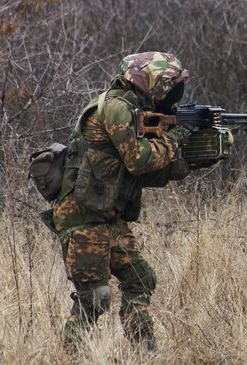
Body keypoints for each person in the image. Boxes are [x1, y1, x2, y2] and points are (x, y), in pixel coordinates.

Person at [52, 51, 197, 352]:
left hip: (106, 217)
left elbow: (147, 176)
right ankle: (70, 356)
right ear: (149, 82)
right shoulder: (117, 107)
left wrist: (191, 159)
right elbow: (139, 160)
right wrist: (174, 139)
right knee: (95, 297)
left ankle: (142, 348)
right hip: (81, 216)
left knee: (141, 278)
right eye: (168, 88)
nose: (172, 98)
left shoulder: (135, 112)